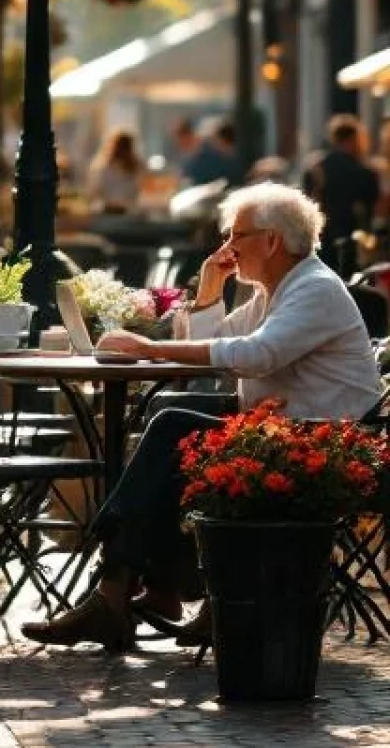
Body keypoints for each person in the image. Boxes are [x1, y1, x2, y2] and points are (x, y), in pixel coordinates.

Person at [20, 183, 383, 651]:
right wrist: (212, 288)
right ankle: (154, 588)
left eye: (236, 236)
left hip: (324, 443)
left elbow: (255, 355)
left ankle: (121, 587)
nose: (227, 248)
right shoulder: (278, 290)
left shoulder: (314, 289)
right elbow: (219, 355)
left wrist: (151, 347)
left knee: (175, 426)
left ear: (272, 241)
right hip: (284, 430)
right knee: (170, 412)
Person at [303, 113, 381, 273]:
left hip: (321, 234)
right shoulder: (364, 171)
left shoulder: (316, 168)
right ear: (354, 139)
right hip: (352, 236)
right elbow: (372, 204)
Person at [87, 128, 145, 215]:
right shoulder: (101, 167)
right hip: (105, 212)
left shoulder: (137, 168)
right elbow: (94, 193)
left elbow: (140, 192)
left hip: (128, 213)